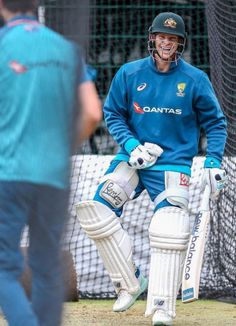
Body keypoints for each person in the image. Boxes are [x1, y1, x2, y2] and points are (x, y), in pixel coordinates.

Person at [76, 12, 227, 326]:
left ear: (180, 43)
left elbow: (215, 123)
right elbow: (113, 114)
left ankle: (162, 308)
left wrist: (213, 160)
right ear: (152, 39)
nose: (167, 43)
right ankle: (130, 282)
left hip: (173, 164)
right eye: (162, 37)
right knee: (95, 210)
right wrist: (132, 146)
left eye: (173, 39)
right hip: (135, 158)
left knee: (169, 228)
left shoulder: (195, 79)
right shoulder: (130, 73)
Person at [0, 0, 101, 326]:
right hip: (55, 176)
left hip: (10, 173)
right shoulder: (67, 49)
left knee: (4, 267)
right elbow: (92, 113)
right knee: (46, 266)